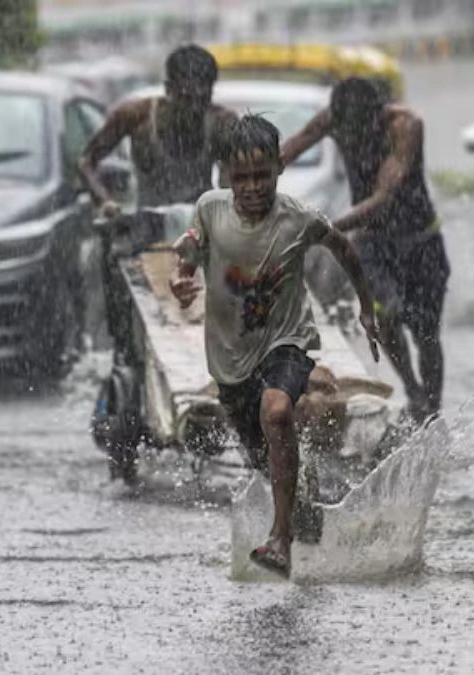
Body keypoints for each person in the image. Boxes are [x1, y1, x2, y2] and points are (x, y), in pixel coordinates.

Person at [170, 115, 381, 577]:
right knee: (267, 458)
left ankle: (279, 539)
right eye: (240, 177)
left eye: (261, 176)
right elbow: (187, 249)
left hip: (288, 341)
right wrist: (181, 277)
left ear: (278, 170)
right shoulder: (210, 209)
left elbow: (343, 249)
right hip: (230, 362)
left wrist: (367, 308)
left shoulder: (298, 219)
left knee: (278, 411)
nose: (251, 188)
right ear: (226, 174)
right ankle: (301, 509)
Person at [279, 77, 450, 424]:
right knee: (383, 315)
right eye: (347, 132)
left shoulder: (405, 126)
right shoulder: (334, 118)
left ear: (378, 115)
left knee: (426, 333)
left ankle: (432, 408)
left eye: (359, 130)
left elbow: (383, 199)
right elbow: (291, 149)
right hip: (373, 243)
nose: (353, 138)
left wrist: (325, 230)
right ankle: (412, 389)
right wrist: (250, 176)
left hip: (420, 241)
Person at [78, 44, 239, 216]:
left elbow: (232, 176)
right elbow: (86, 161)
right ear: (168, 89)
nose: (194, 109)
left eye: (203, 99)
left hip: (203, 222)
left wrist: (229, 198)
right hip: (148, 225)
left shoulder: (222, 122)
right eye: (186, 99)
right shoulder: (136, 116)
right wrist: (104, 201)